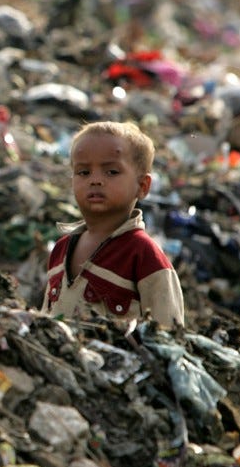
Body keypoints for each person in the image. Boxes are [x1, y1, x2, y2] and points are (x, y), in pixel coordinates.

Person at [40, 121, 184, 328]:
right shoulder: (61, 249)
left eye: (111, 172)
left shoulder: (144, 256)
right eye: (83, 172)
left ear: (142, 186)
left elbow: (169, 340)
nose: (95, 180)